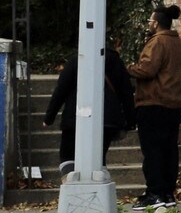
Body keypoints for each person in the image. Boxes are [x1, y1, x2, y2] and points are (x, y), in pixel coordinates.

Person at [127, 4, 181, 207]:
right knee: (169, 150)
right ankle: (168, 193)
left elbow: (147, 70)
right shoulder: (177, 42)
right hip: (174, 103)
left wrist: (128, 69)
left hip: (153, 102)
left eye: (149, 21)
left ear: (155, 23)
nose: (148, 24)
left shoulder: (156, 42)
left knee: (152, 151)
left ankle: (155, 193)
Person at [42, 41, 134, 175]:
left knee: (68, 155)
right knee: (98, 158)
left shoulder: (76, 61)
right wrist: (130, 122)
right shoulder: (116, 63)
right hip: (107, 120)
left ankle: (71, 180)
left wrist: (49, 118)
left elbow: (61, 91)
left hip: (76, 118)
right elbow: (126, 93)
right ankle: (98, 179)